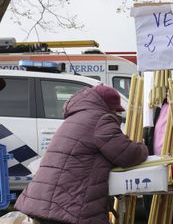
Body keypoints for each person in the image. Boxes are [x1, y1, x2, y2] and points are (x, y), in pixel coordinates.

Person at [14, 84, 149, 224]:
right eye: (115, 109)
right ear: (108, 106)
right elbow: (128, 154)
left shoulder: (76, 117)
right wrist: (143, 147)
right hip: (68, 205)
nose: (116, 112)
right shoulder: (101, 119)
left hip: (43, 200)